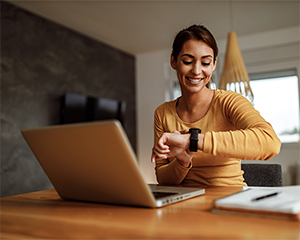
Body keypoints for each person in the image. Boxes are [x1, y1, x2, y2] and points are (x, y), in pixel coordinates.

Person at [151, 24, 281, 186]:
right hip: (185, 203)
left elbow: (270, 143)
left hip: (229, 199)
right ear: (173, 61)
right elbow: (163, 179)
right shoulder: (162, 113)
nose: (197, 71)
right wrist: (182, 161)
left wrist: (192, 140)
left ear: (213, 64)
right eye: (187, 61)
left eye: (205, 63)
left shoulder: (229, 102)